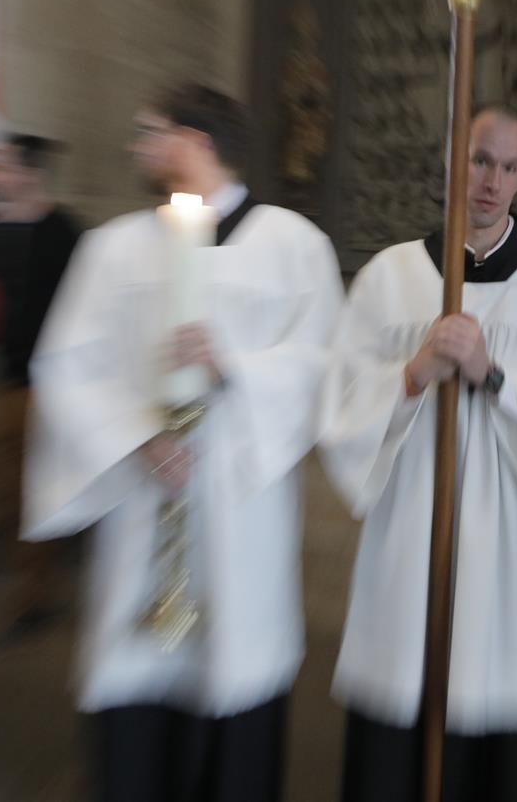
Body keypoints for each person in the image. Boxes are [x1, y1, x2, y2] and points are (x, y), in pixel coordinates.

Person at [25, 85, 343, 802]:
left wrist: (234, 365)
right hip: (144, 508)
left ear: (197, 141)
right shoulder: (112, 251)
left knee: (235, 678)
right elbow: (67, 365)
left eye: (151, 131)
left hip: (239, 509)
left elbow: (325, 363)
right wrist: (136, 438)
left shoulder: (293, 247)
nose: (138, 147)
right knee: (138, 702)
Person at [318, 104, 517, 802]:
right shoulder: (390, 277)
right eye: (479, 160)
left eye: (509, 166)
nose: (492, 180)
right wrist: (413, 373)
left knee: (499, 720)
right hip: (414, 531)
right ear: (452, 164)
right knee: (409, 700)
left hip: (511, 539)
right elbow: (339, 403)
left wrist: (497, 377)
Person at [0, 133, 82, 641]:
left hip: (49, 385)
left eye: (4, 165)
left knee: (36, 493)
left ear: (29, 172)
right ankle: (31, 584)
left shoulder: (64, 232)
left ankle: (32, 597)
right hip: (3, 382)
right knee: (7, 496)